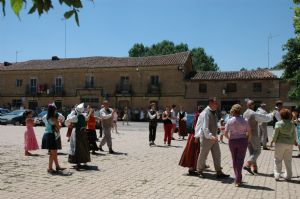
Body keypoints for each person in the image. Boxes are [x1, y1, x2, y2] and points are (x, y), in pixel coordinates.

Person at [195, 98, 229, 178]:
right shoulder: (205, 113)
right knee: (203, 154)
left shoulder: (214, 112)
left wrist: (220, 129)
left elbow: (215, 124)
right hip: (207, 137)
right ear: (210, 103)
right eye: (215, 103)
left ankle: (219, 172)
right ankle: (199, 170)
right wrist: (211, 136)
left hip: (213, 137)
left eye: (217, 103)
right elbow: (204, 127)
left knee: (217, 154)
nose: (217, 104)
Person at [243, 99, 274, 174]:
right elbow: (265, 118)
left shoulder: (245, 113)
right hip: (253, 134)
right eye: (253, 104)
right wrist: (272, 114)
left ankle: (255, 168)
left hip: (246, 135)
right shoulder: (253, 113)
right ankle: (247, 164)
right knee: (257, 151)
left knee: (252, 153)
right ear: (252, 105)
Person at [224, 104, 251, 187]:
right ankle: (238, 178)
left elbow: (225, 133)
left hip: (232, 141)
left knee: (234, 160)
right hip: (243, 140)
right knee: (240, 160)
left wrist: (229, 138)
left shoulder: (229, 121)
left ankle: (238, 178)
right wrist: (247, 140)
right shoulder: (245, 120)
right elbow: (249, 132)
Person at [272, 108, 297, 181]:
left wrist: (272, 141)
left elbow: (275, 134)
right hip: (289, 144)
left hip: (280, 143)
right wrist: (294, 141)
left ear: (281, 115)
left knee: (278, 159)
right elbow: (294, 134)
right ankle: (289, 175)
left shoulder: (278, 123)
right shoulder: (292, 124)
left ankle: (277, 175)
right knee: (288, 160)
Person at [179, 105, 203, 175]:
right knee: (194, 152)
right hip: (195, 135)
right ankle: (191, 169)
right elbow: (197, 127)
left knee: (192, 151)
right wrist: (197, 137)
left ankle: (193, 167)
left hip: (192, 135)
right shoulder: (199, 116)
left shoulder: (196, 115)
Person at [41, 104, 65, 173]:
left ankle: (57, 166)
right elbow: (59, 127)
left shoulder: (47, 117)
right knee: (53, 154)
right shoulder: (54, 118)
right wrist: (60, 122)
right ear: (53, 110)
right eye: (55, 110)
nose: (56, 111)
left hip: (47, 135)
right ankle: (50, 168)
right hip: (52, 136)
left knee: (53, 153)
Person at [65, 103, 91, 168]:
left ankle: (78, 162)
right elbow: (87, 119)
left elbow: (67, 121)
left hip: (77, 133)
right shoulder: (83, 116)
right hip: (84, 133)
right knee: (84, 146)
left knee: (76, 147)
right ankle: (84, 162)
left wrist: (69, 125)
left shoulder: (75, 117)